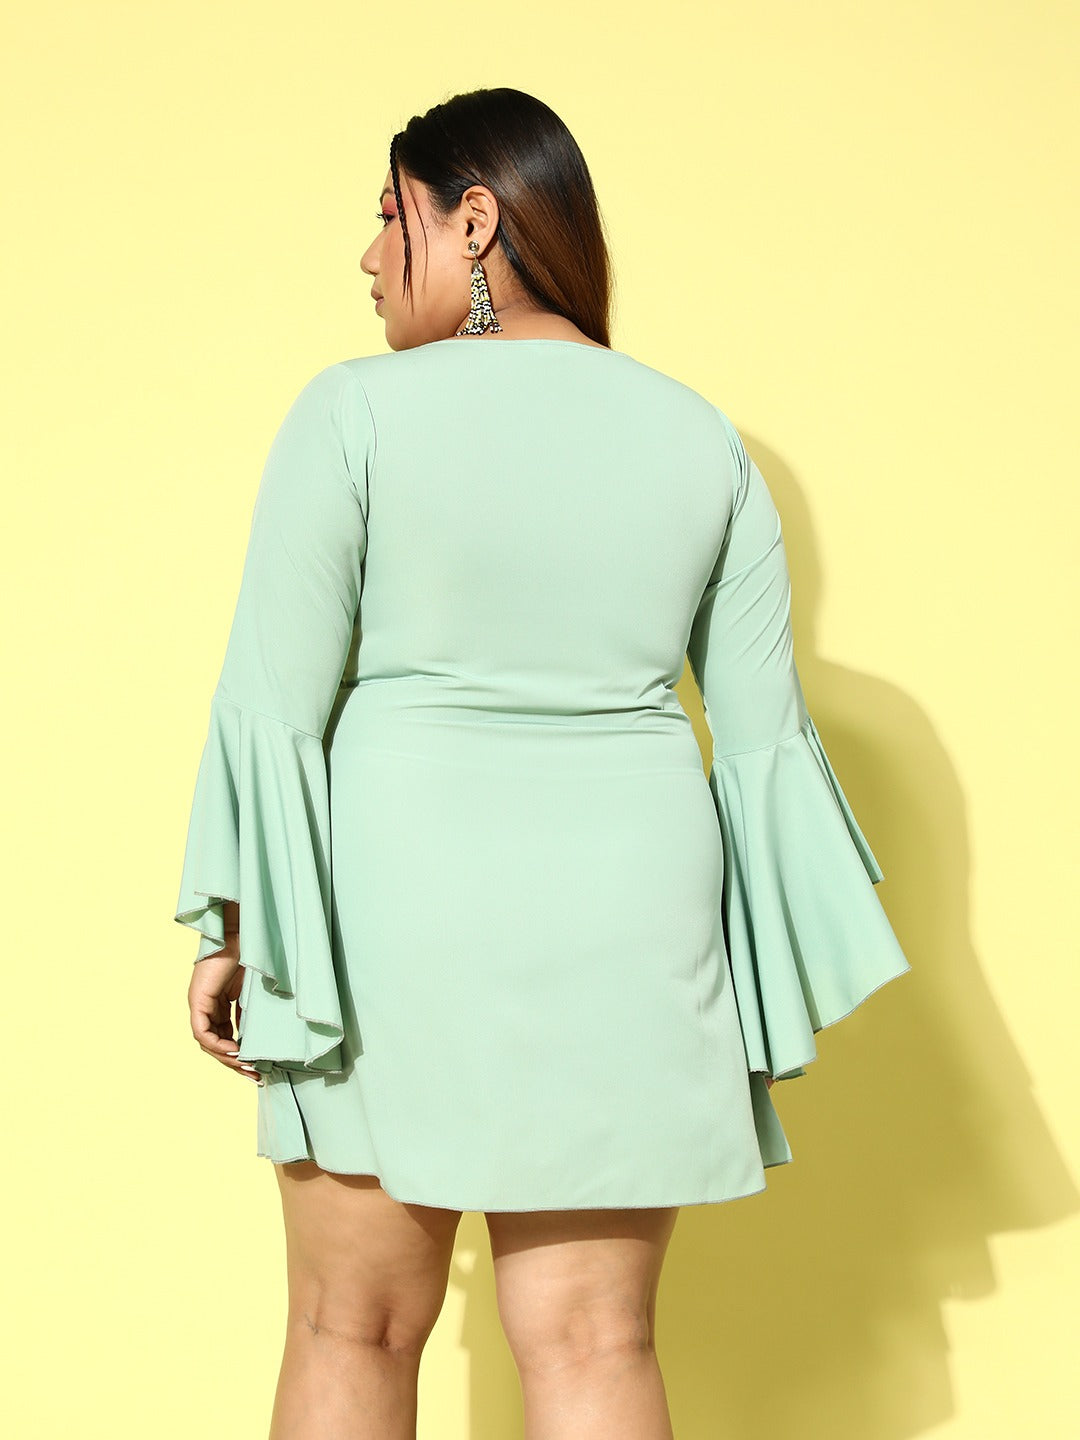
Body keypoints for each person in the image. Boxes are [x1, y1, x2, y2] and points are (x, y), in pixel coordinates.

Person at [173, 86, 910, 1440]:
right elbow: (760, 748)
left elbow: (274, 707)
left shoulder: (351, 413)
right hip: (634, 913)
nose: (366, 256)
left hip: (395, 905)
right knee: (594, 1343)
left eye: (388, 214)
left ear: (474, 219)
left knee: (351, 1327)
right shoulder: (701, 437)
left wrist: (238, 925)